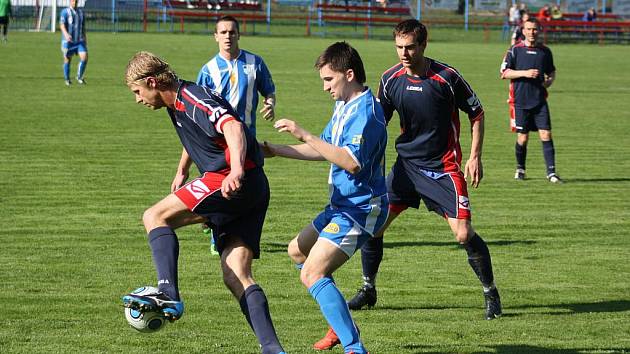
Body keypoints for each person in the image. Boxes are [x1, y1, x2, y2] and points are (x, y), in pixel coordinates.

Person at [314, 19, 502, 350]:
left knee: (462, 234)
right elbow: (374, 122)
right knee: (374, 228)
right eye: (399, 47)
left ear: (423, 46)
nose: (404, 53)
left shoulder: (447, 78)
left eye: (410, 47)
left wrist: (474, 156)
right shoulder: (390, 80)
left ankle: (490, 292)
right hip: (406, 167)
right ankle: (368, 288)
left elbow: (477, 112)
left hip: (442, 169)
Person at [121, 51, 285, 354]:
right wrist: (182, 168)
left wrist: (235, 168)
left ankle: (168, 291)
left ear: (153, 82)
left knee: (154, 216)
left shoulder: (192, 99)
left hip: (230, 178)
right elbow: (199, 135)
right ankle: (272, 348)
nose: (138, 99)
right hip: (256, 187)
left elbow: (233, 128)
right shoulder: (179, 101)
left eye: (137, 91)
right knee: (236, 273)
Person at [262, 41, 388, 354]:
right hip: (341, 206)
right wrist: (277, 151)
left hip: (362, 209)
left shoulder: (367, 112)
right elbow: (325, 149)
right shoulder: (344, 106)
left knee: (312, 272)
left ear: (349, 74)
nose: (324, 87)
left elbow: (350, 161)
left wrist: (303, 133)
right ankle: (339, 320)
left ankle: (354, 347)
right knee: (297, 251)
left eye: (328, 79)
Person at [195, 15, 276, 253]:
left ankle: (231, 230)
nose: (228, 36)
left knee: (244, 185)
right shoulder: (208, 70)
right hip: (217, 141)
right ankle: (215, 229)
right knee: (221, 187)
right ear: (215, 37)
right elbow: (200, 106)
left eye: (232, 32)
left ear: (239, 34)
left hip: (247, 140)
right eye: (223, 32)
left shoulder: (255, 62)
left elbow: (269, 91)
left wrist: (270, 104)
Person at [501, 17, 562, 183]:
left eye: (534, 29)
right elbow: (504, 73)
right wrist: (525, 73)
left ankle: (552, 173)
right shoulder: (514, 50)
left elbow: (552, 72)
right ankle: (520, 169)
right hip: (520, 101)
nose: (532, 32)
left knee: (546, 134)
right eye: (528, 29)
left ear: (539, 30)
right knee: (523, 138)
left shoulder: (545, 51)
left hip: (540, 100)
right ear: (523, 31)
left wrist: (549, 81)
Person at [59, 0, 88, 86]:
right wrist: (66, 34)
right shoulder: (65, 12)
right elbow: (62, 25)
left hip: (79, 41)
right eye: (73, 1)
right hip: (68, 41)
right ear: (70, 2)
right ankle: (67, 79)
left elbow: (83, 27)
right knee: (67, 59)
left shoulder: (81, 13)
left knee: (84, 57)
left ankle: (79, 77)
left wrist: (85, 37)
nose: (74, 2)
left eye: (76, 1)